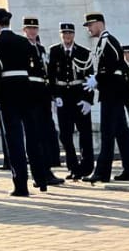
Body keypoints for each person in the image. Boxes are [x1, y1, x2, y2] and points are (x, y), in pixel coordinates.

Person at [0, 8, 52, 196]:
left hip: (8, 92)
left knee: (15, 140)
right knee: (33, 137)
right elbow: (32, 66)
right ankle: (41, 179)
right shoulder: (24, 42)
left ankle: (20, 185)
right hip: (27, 89)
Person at [83, 13, 129, 184]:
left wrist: (98, 79)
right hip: (112, 91)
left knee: (107, 132)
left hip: (112, 93)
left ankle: (102, 171)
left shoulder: (107, 40)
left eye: (90, 25)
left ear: (99, 24)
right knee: (122, 133)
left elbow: (114, 65)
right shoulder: (103, 41)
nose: (89, 29)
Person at [48, 22, 95, 180]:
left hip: (79, 96)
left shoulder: (83, 52)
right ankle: (73, 167)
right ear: (61, 35)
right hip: (63, 98)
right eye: (64, 33)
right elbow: (51, 76)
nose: (67, 36)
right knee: (66, 135)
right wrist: (55, 97)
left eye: (70, 33)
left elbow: (90, 77)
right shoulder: (54, 51)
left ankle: (87, 167)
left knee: (85, 133)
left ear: (74, 35)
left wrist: (89, 100)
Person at [21, 17, 64, 182]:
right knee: (35, 136)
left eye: (35, 29)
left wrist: (53, 95)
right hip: (31, 95)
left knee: (46, 134)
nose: (32, 31)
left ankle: (47, 171)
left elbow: (47, 73)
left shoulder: (40, 48)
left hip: (43, 96)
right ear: (24, 30)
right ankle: (38, 174)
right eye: (29, 28)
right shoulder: (22, 47)